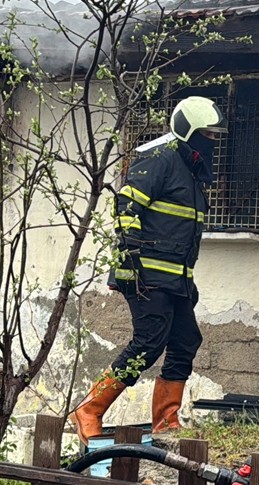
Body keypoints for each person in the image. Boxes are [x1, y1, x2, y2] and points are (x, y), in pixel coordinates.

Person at [69, 95, 227, 444]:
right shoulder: (158, 159)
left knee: (186, 340)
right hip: (145, 275)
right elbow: (126, 208)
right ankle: (90, 410)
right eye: (208, 134)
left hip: (174, 278)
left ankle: (166, 421)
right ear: (188, 132)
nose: (213, 141)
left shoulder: (191, 171)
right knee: (149, 341)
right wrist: (134, 263)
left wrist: (187, 280)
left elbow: (182, 235)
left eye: (216, 136)